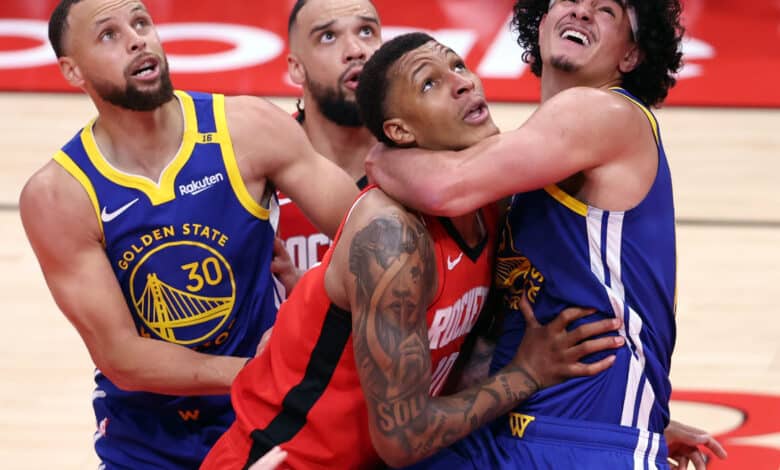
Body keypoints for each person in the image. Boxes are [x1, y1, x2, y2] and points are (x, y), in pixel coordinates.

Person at [201, 32, 625, 470]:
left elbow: (490, 351)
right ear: (400, 131)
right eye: (429, 83)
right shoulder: (392, 236)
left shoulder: (490, 205)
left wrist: (623, 420)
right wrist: (528, 375)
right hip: (278, 460)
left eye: (458, 66)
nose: (463, 83)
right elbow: (402, 438)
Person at [19, 0, 359, 468]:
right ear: (72, 71)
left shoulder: (247, 129)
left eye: (141, 22)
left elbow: (370, 235)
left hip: (269, 414)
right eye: (109, 35)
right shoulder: (59, 195)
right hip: (147, 432)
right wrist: (257, 368)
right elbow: (121, 356)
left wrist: (315, 297)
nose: (137, 38)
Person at [367, 1, 706, 468]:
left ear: (630, 56)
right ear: (540, 23)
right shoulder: (528, 162)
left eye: (606, 9)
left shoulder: (605, 112)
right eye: (569, 0)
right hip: (501, 426)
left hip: (586, 439)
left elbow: (445, 187)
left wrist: (377, 155)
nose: (582, 12)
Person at [276, 0, 381, 280]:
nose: (356, 50)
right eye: (328, 36)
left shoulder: (426, 160)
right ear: (297, 68)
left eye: (367, 32)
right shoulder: (259, 166)